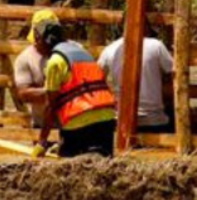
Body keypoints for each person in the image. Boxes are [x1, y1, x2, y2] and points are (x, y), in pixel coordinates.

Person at [34, 19, 117, 158]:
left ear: (47, 40)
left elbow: (50, 106)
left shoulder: (55, 62)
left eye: (37, 39)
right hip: (107, 121)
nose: (35, 45)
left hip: (79, 123)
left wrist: (42, 142)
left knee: (72, 171)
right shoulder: (84, 54)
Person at [98, 26, 174, 133]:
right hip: (154, 119)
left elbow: (98, 78)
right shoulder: (156, 45)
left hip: (120, 119)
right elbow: (174, 71)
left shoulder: (110, 49)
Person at [14, 9, 60, 127]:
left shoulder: (72, 51)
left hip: (72, 126)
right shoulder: (25, 59)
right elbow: (23, 94)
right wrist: (53, 92)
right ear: (36, 34)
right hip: (41, 125)